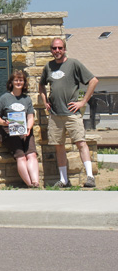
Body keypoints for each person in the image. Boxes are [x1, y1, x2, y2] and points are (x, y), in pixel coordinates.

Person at [38, 37, 98, 188]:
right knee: (59, 146)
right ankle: (64, 180)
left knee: (81, 143)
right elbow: (41, 85)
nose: (57, 51)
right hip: (55, 115)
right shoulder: (48, 67)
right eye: (54, 48)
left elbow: (93, 81)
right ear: (51, 50)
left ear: (64, 49)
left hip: (72, 114)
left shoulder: (74, 64)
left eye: (60, 48)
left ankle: (90, 177)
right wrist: (45, 101)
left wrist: (83, 102)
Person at [0, 69, 39, 187]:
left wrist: (28, 128)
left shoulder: (27, 99)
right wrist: (4, 123)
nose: (19, 82)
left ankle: (36, 182)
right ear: (11, 82)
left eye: (21, 80)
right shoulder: (5, 98)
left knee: (32, 155)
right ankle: (30, 184)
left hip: (25, 131)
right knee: (21, 157)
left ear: (24, 83)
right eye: (16, 80)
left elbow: (30, 116)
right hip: (9, 132)